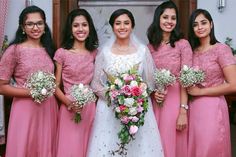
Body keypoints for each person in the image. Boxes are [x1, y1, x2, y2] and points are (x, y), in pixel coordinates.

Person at [86, 9, 164, 157]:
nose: (122, 27)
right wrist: (115, 98)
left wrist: (135, 100)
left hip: (137, 110)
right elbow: (96, 84)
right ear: (112, 26)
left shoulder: (142, 51)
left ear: (132, 26)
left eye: (126, 23)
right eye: (118, 23)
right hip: (109, 110)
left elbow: (150, 83)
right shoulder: (104, 52)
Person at [0, 6, 58, 157]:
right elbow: (1, 87)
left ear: (45, 25)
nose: (35, 27)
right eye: (30, 24)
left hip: (48, 108)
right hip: (24, 109)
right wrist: (32, 92)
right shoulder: (14, 50)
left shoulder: (50, 48)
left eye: (39, 23)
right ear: (22, 27)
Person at [187, 9, 236, 157]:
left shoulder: (221, 49)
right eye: (195, 25)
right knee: (196, 149)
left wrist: (200, 92)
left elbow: (233, 85)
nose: (200, 27)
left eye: (203, 23)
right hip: (194, 108)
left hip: (213, 108)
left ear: (211, 24)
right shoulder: (192, 51)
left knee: (211, 148)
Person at [147, 1, 192, 157]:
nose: (169, 21)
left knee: (173, 145)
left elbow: (185, 81)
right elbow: (147, 79)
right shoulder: (150, 47)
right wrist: (153, 93)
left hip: (175, 102)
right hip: (154, 104)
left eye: (173, 18)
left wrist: (183, 111)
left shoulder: (183, 45)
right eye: (165, 17)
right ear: (158, 18)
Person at [54, 8, 98, 157]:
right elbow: (55, 86)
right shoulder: (62, 53)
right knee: (69, 149)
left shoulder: (94, 53)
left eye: (84, 25)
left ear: (89, 28)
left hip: (90, 108)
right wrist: (68, 103)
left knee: (88, 149)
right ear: (70, 29)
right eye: (76, 25)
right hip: (69, 107)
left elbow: (98, 83)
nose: (80, 29)